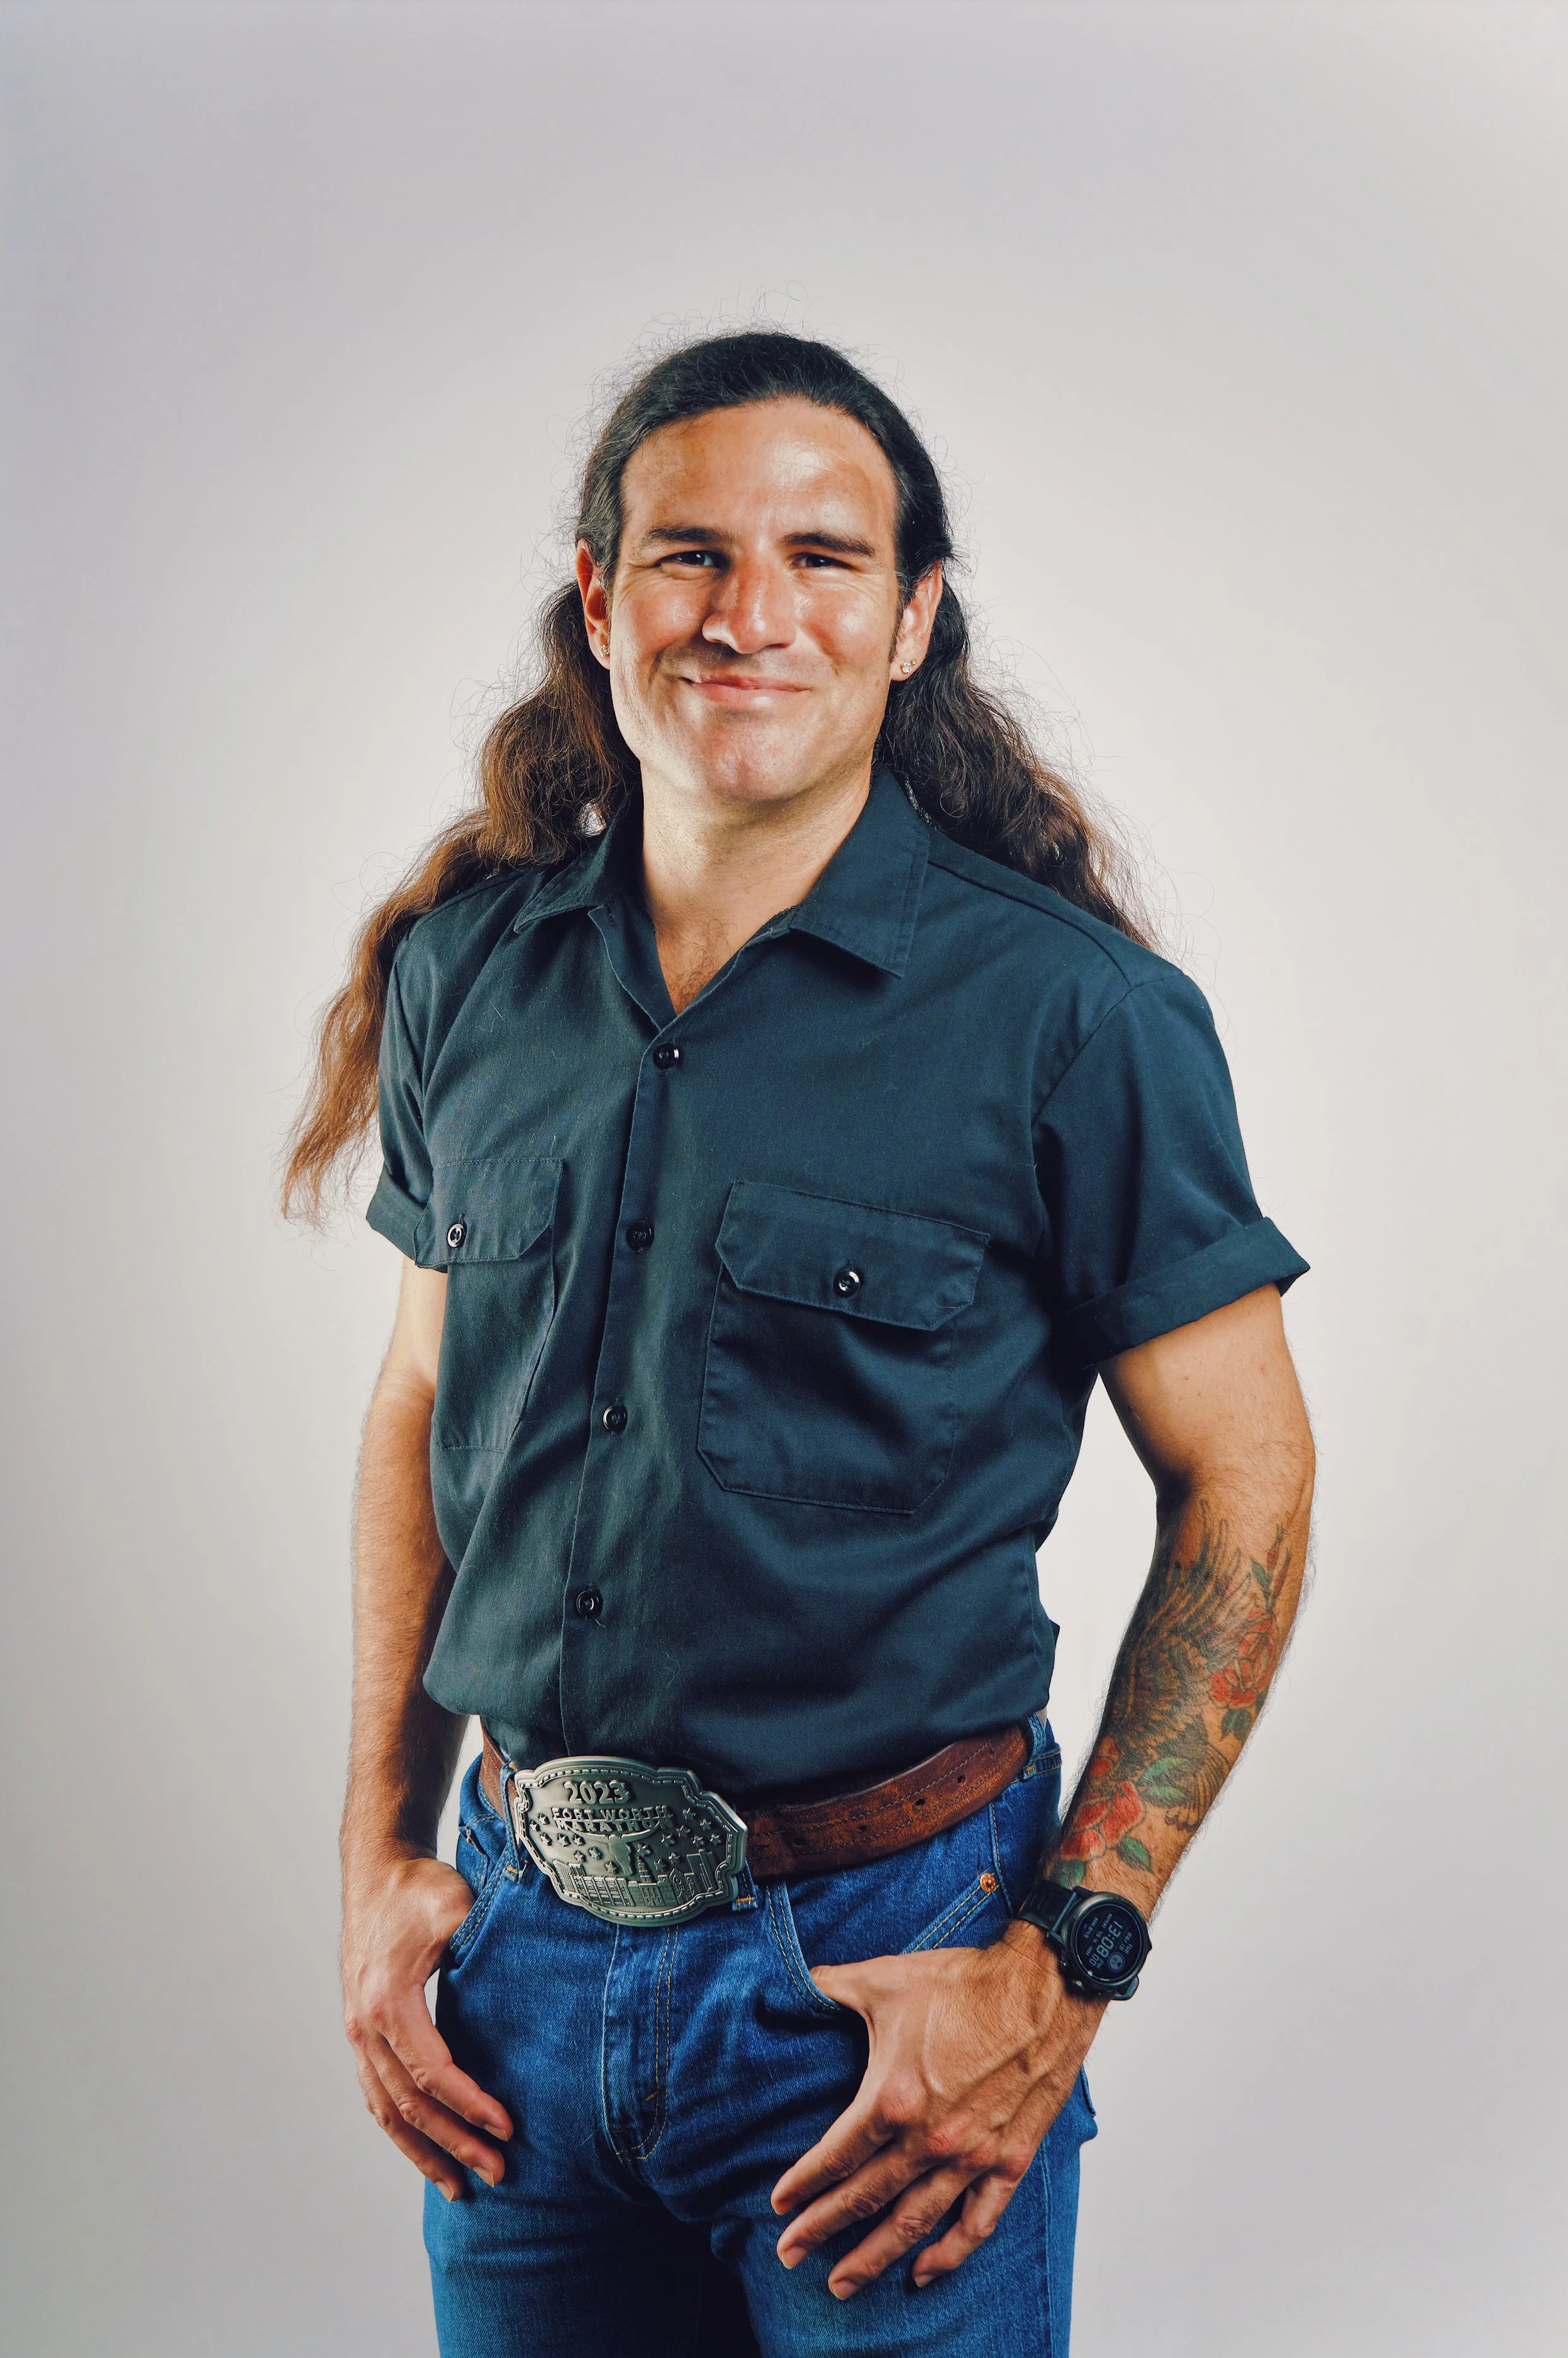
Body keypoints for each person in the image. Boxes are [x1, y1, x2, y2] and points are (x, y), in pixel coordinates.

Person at [284, 329, 1313, 2357]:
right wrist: (375, 1859)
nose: (747, 615)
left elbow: (1246, 1475)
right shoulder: (464, 975)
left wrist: (1064, 1961)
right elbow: (422, 1405)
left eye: (823, 559)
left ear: (913, 618)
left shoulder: (1073, 1019)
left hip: (881, 1984)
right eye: (685, 555)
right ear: (596, 598)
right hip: (509, 1976)